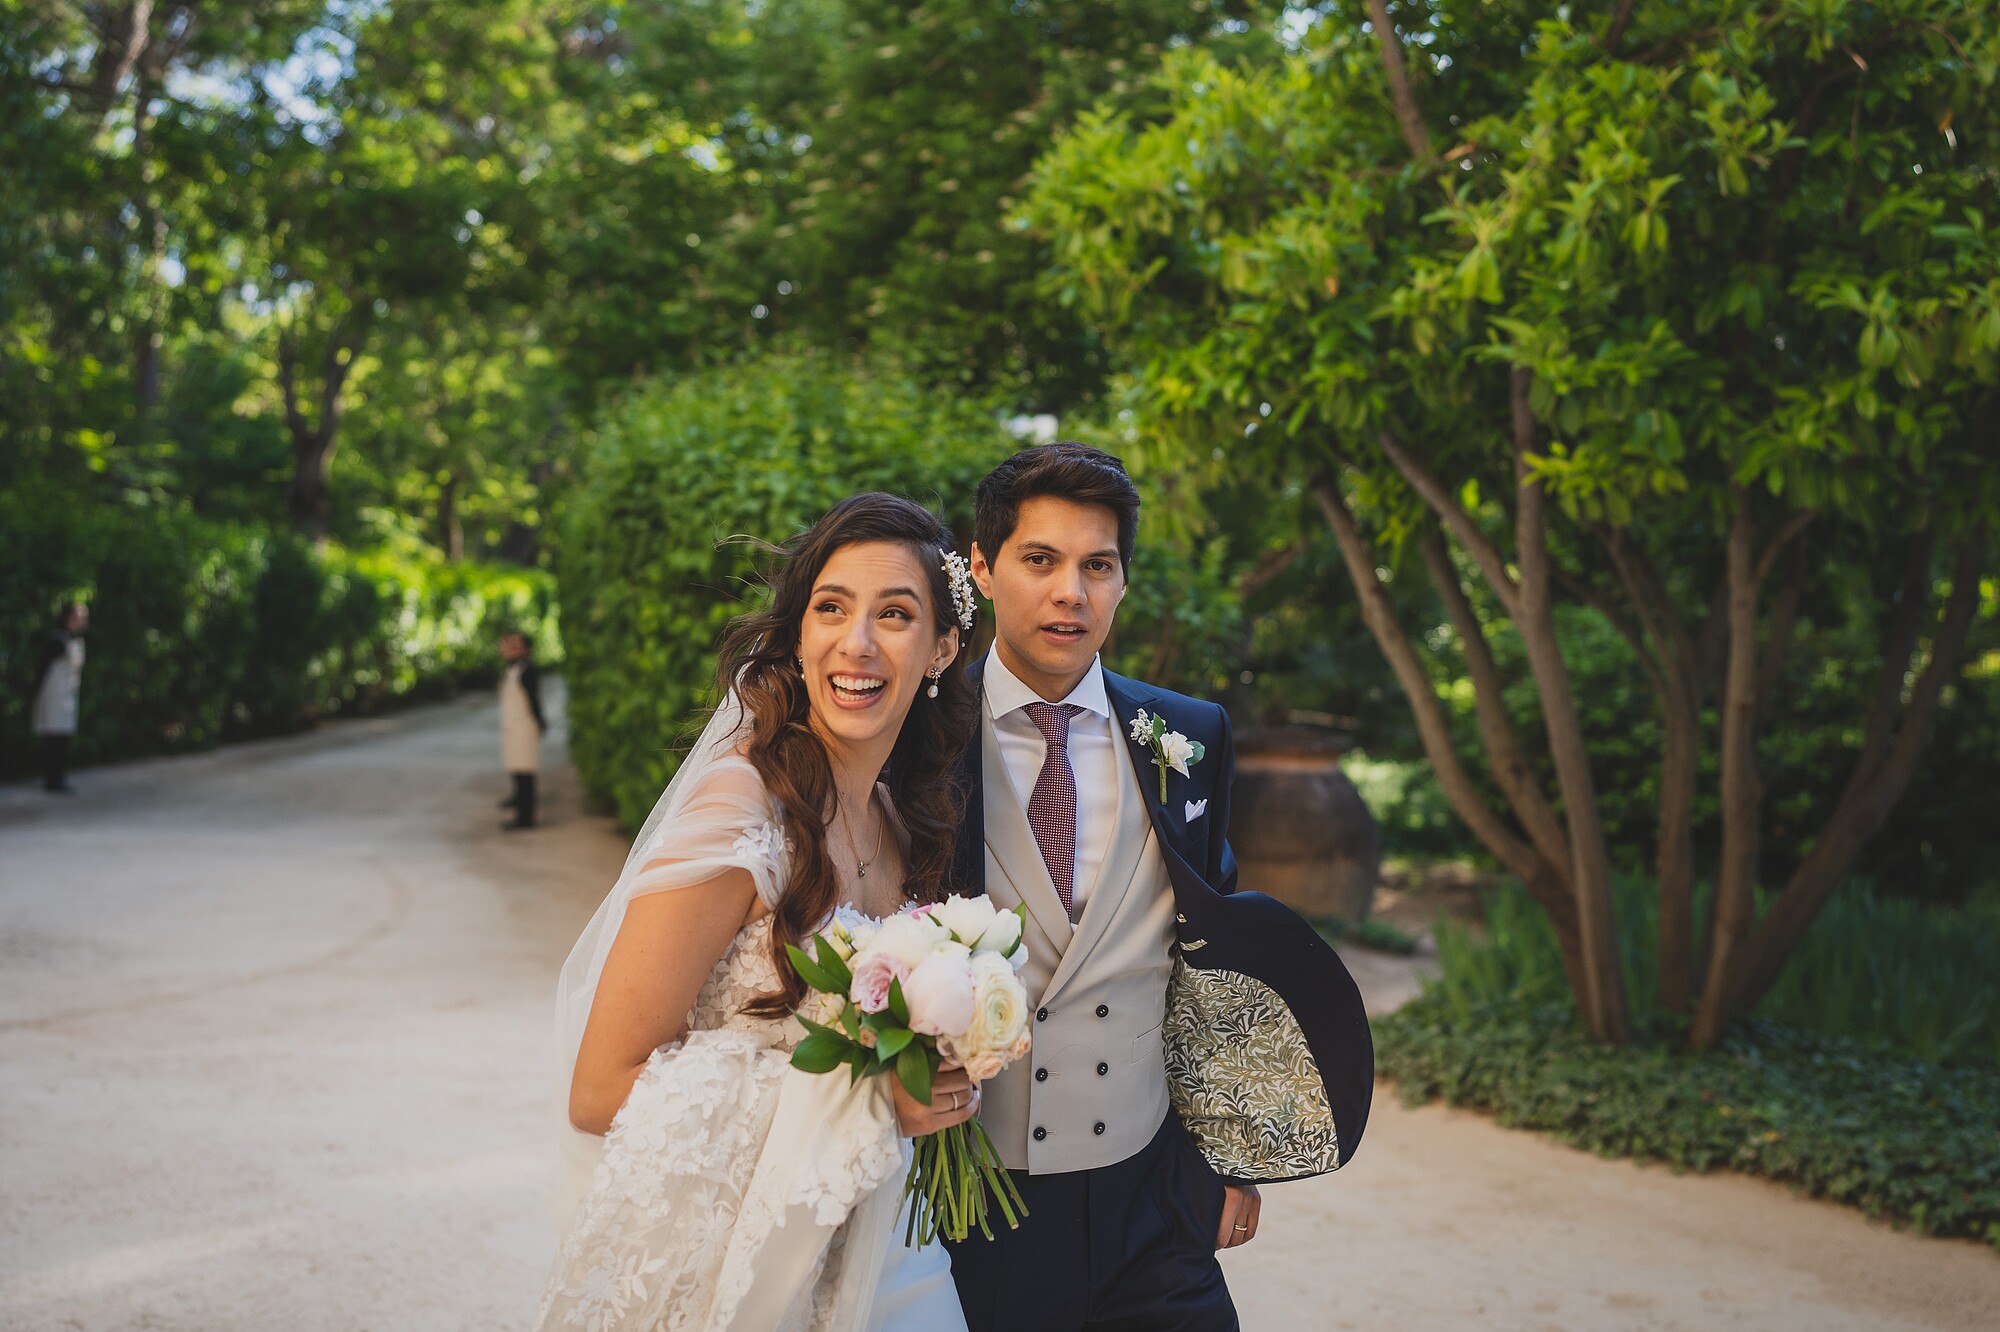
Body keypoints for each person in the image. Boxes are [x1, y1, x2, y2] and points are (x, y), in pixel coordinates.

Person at [538, 493, 981, 1332]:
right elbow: (599, 1090)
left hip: (890, 1251)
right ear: (800, 637)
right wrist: (873, 1100)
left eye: (895, 614)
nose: (856, 643)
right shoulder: (739, 808)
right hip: (749, 1276)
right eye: (831, 609)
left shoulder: (899, 825)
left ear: (941, 649)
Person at [943, 443, 1253, 1332]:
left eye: (1097, 566)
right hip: (975, 1203)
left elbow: (1218, 955)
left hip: (1153, 1200)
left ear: (1121, 581)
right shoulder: (919, 741)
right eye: (1039, 560)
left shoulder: (1189, 734)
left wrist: (1231, 1157)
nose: (1069, 592)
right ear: (983, 567)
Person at [33, 603, 89, 795]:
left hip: (66, 696)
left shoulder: (73, 639)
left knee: (62, 737)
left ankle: (57, 776)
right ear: (70, 618)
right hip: (54, 695)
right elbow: (42, 668)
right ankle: (53, 779)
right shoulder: (57, 640)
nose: (84, 621)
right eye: (81, 616)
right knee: (54, 737)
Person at [497, 630, 546, 829]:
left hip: (524, 727)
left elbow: (534, 701)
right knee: (517, 769)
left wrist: (540, 722)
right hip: (514, 726)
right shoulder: (513, 670)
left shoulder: (527, 671)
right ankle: (519, 803)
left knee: (525, 772)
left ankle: (526, 817)